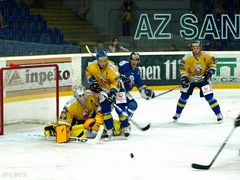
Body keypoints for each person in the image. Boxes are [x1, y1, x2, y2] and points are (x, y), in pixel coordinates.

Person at [173, 40, 223, 122]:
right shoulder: (187, 57)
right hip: (190, 80)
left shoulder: (207, 55)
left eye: (197, 48)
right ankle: (177, 114)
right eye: (194, 48)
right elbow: (183, 69)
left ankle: (218, 114)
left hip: (203, 80)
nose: (195, 50)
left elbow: (213, 62)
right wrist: (184, 79)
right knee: (183, 97)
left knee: (209, 97)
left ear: (200, 48)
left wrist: (211, 71)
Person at [85, 49, 130, 139]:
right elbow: (88, 73)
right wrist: (92, 81)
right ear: (97, 60)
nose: (103, 63)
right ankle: (110, 129)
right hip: (104, 90)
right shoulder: (92, 66)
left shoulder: (111, 67)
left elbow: (116, 83)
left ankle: (126, 127)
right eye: (101, 61)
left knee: (121, 109)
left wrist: (113, 94)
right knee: (105, 110)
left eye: (105, 60)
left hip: (118, 88)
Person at [116, 52, 155, 121]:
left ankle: (125, 121)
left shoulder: (137, 71)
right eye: (133, 59)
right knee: (107, 109)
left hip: (124, 93)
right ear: (130, 59)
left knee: (133, 105)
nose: (134, 61)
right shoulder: (124, 65)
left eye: (136, 60)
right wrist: (119, 76)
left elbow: (140, 84)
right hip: (117, 90)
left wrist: (146, 90)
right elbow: (113, 70)